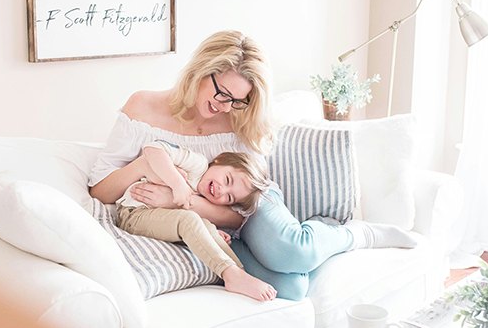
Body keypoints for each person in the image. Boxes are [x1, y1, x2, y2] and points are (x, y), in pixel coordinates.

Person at [89, 30, 416, 301]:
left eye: (236, 100)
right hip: (204, 223)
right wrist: (147, 167)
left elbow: (239, 210)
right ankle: (310, 242)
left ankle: (353, 235)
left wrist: (184, 200)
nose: (224, 106)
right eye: (222, 93)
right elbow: (99, 189)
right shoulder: (143, 107)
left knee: (294, 252)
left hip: (248, 201)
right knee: (291, 289)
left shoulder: (238, 119)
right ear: (201, 71)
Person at [115, 139, 275, 301]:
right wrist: (177, 184)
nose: (222, 190)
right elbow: (152, 148)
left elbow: (181, 221)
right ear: (220, 160)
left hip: (160, 219)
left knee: (207, 226)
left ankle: (237, 273)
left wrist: (209, 232)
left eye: (229, 197)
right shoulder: (197, 164)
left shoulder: (205, 199)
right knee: (189, 219)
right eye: (227, 180)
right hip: (133, 213)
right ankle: (230, 274)